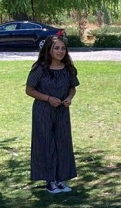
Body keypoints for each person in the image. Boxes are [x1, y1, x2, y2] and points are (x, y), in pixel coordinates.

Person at [25, 35, 80, 194]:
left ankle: (61, 179)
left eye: (63, 48)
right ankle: (50, 181)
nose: (60, 51)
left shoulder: (68, 69)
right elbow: (29, 90)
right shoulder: (40, 69)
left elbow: (72, 87)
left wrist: (69, 98)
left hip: (62, 111)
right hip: (43, 111)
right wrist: (48, 98)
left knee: (63, 143)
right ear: (49, 50)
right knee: (46, 143)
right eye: (56, 48)